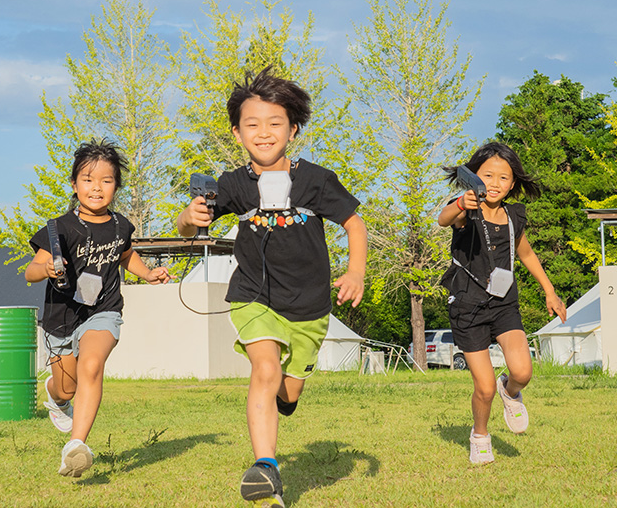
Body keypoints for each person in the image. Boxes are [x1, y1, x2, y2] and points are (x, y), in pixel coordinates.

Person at [177, 67, 367, 508]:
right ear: (237, 132)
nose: (264, 133)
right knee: (264, 370)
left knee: (287, 389)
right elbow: (187, 227)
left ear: (293, 128)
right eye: (252, 125)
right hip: (253, 295)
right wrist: (191, 217)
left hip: (310, 304)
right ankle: (266, 468)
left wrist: (354, 271)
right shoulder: (232, 184)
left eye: (274, 123)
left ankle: (288, 392)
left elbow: (354, 223)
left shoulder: (316, 179)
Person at [26, 140, 173, 477]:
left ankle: (76, 446)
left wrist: (148, 273)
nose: (97, 188)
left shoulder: (121, 226)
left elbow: (124, 255)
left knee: (92, 365)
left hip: (103, 311)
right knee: (68, 387)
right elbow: (31, 271)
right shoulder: (59, 229)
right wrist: (47, 270)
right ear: (75, 184)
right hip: (60, 318)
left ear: (116, 186)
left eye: (106, 180)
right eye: (88, 179)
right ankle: (55, 395)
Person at [437, 142, 566, 464]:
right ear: (473, 177)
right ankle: (480, 435)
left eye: (504, 178)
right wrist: (461, 203)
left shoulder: (514, 215)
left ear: (513, 184)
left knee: (523, 371)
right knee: (484, 388)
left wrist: (550, 291)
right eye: (487, 175)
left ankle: (510, 391)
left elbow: (526, 253)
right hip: (467, 305)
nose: (495, 183)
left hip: (504, 303)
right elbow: (444, 219)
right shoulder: (466, 208)